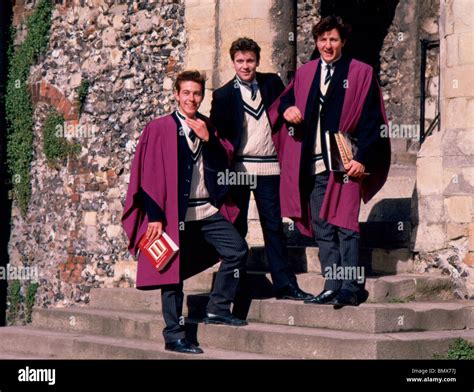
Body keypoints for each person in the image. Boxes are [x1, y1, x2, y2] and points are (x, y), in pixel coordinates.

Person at [122, 70, 249, 355]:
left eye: (197, 93)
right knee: (171, 273)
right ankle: (174, 335)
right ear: (177, 95)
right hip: (171, 215)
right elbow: (146, 174)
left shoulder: (208, 126)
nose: (192, 98)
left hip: (204, 210)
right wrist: (154, 215)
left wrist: (210, 140)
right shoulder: (159, 128)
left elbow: (224, 163)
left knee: (237, 250)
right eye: (187, 93)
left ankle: (217, 308)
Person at [268, 16, 391, 308]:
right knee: (323, 226)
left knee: (346, 224)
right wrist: (288, 110)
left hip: (345, 163)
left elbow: (373, 122)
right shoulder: (307, 72)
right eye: (323, 40)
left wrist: (362, 159)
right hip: (311, 163)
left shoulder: (360, 73)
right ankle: (332, 283)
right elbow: (283, 102)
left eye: (333, 39)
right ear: (316, 42)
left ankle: (351, 287)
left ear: (343, 42)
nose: (327, 45)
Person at [210, 37, 313, 301]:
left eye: (250, 61)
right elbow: (216, 136)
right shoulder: (222, 95)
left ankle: (284, 285)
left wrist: (289, 107)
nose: (245, 66)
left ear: (257, 61)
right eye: (240, 61)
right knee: (238, 226)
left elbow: (290, 98)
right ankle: (237, 285)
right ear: (233, 62)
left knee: (274, 227)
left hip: (269, 167)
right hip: (240, 169)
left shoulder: (272, 83)